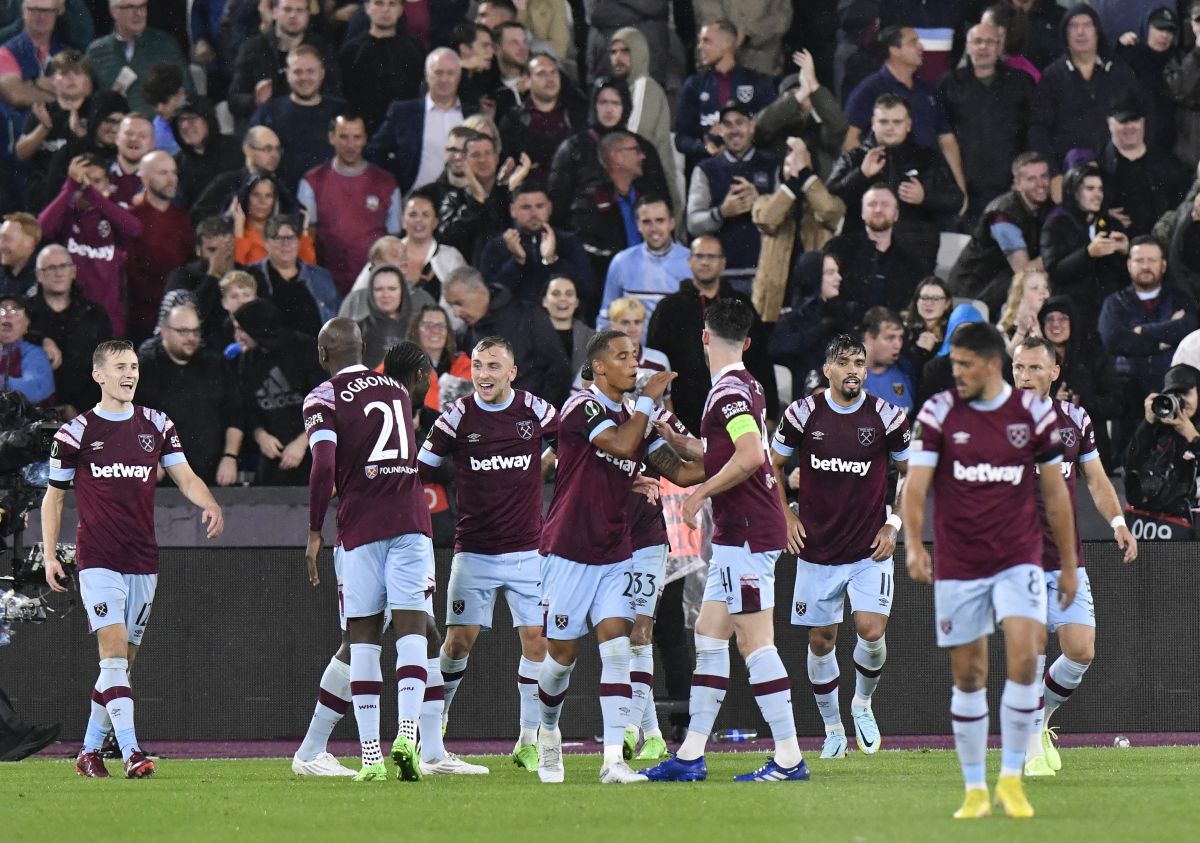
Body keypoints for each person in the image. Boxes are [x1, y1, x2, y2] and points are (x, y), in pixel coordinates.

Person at [902, 321, 1078, 819]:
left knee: (1026, 656)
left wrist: (1067, 563)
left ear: (991, 365)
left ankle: (1012, 779)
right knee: (970, 673)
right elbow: (915, 487)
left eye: (963, 364)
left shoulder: (1033, 415)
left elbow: (1055, 493)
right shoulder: (937, 411)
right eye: (952, 363)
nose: (954, 372)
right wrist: (914, 544)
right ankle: (976, 787)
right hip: (959, 563)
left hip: (1019, 556)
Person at [639, 299, 804, 783]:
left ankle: (790, 757)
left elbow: (751, 455)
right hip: (745, 532)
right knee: (710, 637)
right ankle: (690, 754)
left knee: (756, 643)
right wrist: (678, 438)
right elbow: (728, 449)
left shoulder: (727, 391)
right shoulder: (746, 384)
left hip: (748, 536)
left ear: (705, 337)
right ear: (747, 342)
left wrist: (698, 496)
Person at [44, 339, 223, 778]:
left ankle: (87, 751)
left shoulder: (157, 425)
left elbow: (185, 476)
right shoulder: (76, 432)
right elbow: (54, 498)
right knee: (113, 654)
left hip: (143, 559)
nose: (130, 374)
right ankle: (130, 752)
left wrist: (210, 503)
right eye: (121, 366)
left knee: (121, 665)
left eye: (135, 367)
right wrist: (50, 554)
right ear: (98, 375)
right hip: (98, 557)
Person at [535, 329, 700, 784]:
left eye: (636, 356)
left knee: (618, 647)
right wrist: (648, 401)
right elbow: (621, 445)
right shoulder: (582, 407)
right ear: (599, 367)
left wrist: (739, 457)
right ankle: (547, 732)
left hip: (614, 551)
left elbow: (682, 472)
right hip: (568, 549)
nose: (634, 364)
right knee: (561, 658)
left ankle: (613, 761)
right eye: (623, 357)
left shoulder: (634, 417)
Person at [302, 319, 434, 781]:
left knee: (362, 637)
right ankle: (409, 733)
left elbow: (322, 465)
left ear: (323, 354)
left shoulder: (323, 397)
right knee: (413, 627)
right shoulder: (397, 390)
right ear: (364, 348)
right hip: (413, 519)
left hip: (361, 524)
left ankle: (371, 757)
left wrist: (315, 528)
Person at [418, 336, 557, 770]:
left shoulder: (534, 409)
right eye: (478, 366)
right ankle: (436, 719)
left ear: (512, 372)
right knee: (458, 642)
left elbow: (574, 443)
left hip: (528, 550)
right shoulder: (457, 416)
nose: (484, 375)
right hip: (474, 551)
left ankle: (527, 738)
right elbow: (419, 468)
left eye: (494, 366)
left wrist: (546, 464)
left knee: (538, 641)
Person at [768, 333, 909, 758]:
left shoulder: (889, 417)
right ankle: (832, 729)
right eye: (844, 362)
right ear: (827, 369)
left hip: (869, 546)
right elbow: (773, 465)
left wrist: (894, 523)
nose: (853, 370)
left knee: (871, 629)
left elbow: (911, 472)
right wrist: (786, 515)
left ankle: (862, 704)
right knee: (821, 640)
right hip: (817, 547)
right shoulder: (801, 414)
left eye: (859, 363)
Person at [1010, 336, 1137, 777]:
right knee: (1034, 647)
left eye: (1034, 369)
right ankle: (1028, 752)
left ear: (1054, 372)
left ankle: (1039, 720)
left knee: (1081, 650)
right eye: (1018, 368)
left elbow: (1097, 481)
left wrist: (1118, 523)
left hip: (1065, 559)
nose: (1025, 377)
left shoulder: (1075, 420)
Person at [646, 234, 778, 433]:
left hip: (737, 417)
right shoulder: (668, 308)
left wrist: (770, 415)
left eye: (712, 257)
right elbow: (655, 364)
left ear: (723, 262)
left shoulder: (741, 305)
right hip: (681, 419)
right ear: (690, 261)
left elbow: (761, 362)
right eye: (699, 256)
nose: (705, 262)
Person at [827, 94, 964, 273]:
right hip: (861, 254)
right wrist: (860, 174)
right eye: (884, 122)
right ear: (873, 123)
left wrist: (926, 197)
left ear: (908, 124)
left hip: (916, 255)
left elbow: (956, 200)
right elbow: (828, 198)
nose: (890, 127)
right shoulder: (855, 158)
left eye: (897, 122)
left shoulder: (927, 158)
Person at [842, 25, 968, 208]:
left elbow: (946, 139)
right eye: (913, 42)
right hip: (884, 191)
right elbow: (850, 139)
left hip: (927, 191)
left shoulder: (927, 91)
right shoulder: (869, 90)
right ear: (894, 50)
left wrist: (960, 188)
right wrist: (867, 180)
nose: (921, 47)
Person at [1028, 4, 1142, 192]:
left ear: (1097, 31)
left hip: (1119, 176)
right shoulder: (1052, 76)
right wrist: (1053, 173)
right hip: (1070, 177)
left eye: (1087, 25)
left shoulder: (1119, 71)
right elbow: (1038, 129)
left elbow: (1143, 113)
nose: (1080, 32)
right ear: (1065, 34)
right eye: (1073, 26)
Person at [1099, 236, 1198, 449]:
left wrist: (1143, 331)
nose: (1145, 266)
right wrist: (1161, 340)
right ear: (1129, 264)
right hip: (1127, 400)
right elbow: (1113, 339)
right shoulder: (1114, 303)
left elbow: (1188, 329)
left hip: (1172, 395)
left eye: (1151, 260)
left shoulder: (1181, 298)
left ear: (1163, 265)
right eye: (1139, 260)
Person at [135, 302, 242, 486]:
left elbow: (235, 415)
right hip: (162, 476)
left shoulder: (215, 364)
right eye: (183, 331)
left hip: (212, 473)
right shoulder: (146, 367)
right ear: (164, 331)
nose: (191, 338)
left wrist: (230, 456)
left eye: (195, 331)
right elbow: (132, 420)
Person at [938, 22, 1036, 221]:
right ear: (967, 47)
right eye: (977, 41)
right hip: (964, 192)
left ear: (1000, 47)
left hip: (1012, 189)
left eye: (990, 42)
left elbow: (1033, 132)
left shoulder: (1021, 82)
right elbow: (941, 137)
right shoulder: (949, 83)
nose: (983, 47)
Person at [37, 152, 142, 336]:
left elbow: (135, 229)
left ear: (108, 183)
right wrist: (70, 188)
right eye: (83, 182)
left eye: (96, 181)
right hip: (71, 320)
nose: (89, 186)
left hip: (110, 320)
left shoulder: (113, 214)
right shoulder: (66, 213)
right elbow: (41, 229)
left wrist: (92, 194)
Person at [298, 113, 402, 297]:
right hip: (327, 285)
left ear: (365, 139)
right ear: (332, 138)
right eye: (344, 137)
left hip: (374, 285)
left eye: (357, 137)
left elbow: (394, 237)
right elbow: (308, 236)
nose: (350, 145)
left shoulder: (386, 183)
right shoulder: (313, 181)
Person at [443, 266, 571, 407]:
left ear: (479, 292)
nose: (456, 313)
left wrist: (537, 417)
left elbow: (559, 371)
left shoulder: (527, 317)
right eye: (451, 306)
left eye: (459, 303)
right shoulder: (464, 335)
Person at [686, 102, 778, 296]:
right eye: (727, 124)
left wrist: (759, 202)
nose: (734, 130)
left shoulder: (772, 165)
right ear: (719, 130)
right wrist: (722, 212)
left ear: (751, 126)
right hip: (720, 277)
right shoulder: (705, 169)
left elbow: (785, 218)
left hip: (765, 272)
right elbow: (693, 223)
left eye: (740, 123)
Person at [230, 298, 324, 485]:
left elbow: (326, 404)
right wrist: (260, 435)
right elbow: (249, 408)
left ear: (257, 327)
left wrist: (302, 442)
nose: (237, 336)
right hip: (275, 457)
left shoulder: (305, 348)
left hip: (315, 451)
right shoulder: (246, 360)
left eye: (241, 329)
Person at [949, 152, 1052, 315]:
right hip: (972, 293)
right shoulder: (1003, 215)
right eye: (1031, 179)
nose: (1041, 184)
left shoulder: (1045, 207)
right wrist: (1056, 253)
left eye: (1044, 176)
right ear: (1017, 184)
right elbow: (1024, 271)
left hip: (999, 288)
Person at [673, 20, 775, 176]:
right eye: (699, 41)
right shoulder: (694, 85)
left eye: (706, 41)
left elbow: (770, 130)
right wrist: (704, 148)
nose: (699, 47)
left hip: (750, 172)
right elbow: (681, 138)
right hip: (708, 173)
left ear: (727, 43)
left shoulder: (757, 83)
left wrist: (740, 142)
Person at [477, 183, 595, 316]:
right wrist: (517, 262)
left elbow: (587, 288)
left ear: (550, 208)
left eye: (540, 206)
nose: (533, 213)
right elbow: (489, 298)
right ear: (513, 210)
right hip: (513, 326)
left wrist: (552, 261)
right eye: (526, 207)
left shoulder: (568, 242)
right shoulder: (497, 245)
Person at [367, 49, 475, 195]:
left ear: (459, 76)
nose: (444, 79)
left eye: (450, 73)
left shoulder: (473, 115)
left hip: (463, 203)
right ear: (427, 75)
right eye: (438, 73)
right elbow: (375, 152)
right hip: (415, 203)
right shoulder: (403, 113)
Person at [1040, 163, 1128, 336]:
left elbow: (1122, 275)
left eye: (1100, 189)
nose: (1098, 195)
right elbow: (1055, 271)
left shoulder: (1111, 224)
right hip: (1073, 313)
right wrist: (1088, 253)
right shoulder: (1056, 225)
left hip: (1107, 313)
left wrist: (1126, 253)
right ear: (1074, 191)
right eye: (1090, 188)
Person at [25, 242, 111, 414]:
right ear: (38, 275)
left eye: (64, 266)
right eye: (50, 267)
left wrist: (79, 408)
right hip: (32, 415)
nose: (58, 273)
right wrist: (41, 339)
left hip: (85, 412)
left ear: (73, 271)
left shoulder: (95, 314)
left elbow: (108, 367)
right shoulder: (23, 313)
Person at [248, 46, 346, 192]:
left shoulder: (341, 111)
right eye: (297, 72)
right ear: (287, 75)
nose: (304, 78)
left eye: (310, 71)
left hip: (332, 196)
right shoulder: (268, 112)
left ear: (322, 74)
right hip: (281, 199)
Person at [227, 0, 340, 126]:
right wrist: (255, 100)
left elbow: (334, 94)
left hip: (309, 123)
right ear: (274, 12)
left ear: (308, 15)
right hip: (266, 127)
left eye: (300, 10)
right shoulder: (253, 48)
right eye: (287, 9)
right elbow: (234, 100)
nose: (293, 15)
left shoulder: (322, 49)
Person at [607, 28, 680, 216]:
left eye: (625, 51)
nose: (618, 58)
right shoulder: (626, 90)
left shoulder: (645, 86)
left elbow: (635, 139)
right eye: (613, 52)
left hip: (655, 188)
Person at [824, 183, 926, 313]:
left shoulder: (911, 265)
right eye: (872, 204)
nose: (878, 209)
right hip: (843, 331)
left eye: (885, 204)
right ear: (862, 213)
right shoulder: (837, 248)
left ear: (896, 214)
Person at [1098, 97, 1189, 239]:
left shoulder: (1169, 164)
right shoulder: (1098, 165)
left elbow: (1183, 206)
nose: (1130, 127)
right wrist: (1102, 214)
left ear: (1143, 122)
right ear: (1109, 123)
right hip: (1114, 248)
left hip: (1159, 248)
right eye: (1123, 121)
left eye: (1134, 120)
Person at [127, 150, 193, 342]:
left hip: (178, 313)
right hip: (142, 318)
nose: (171, 179)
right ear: (145, 178)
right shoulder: (132, 219)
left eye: (173, 172)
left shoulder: (182, 218)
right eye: (163, 173)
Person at [84, 0, 193, 114]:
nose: (139, 14)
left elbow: (187, 93)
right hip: (114, 127)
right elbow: (87, 102)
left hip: (158, 126)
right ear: (114, 12)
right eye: (131, 7)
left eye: (142, 6)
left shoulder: (165, 45)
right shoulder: (96, 51)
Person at [598, 196, 690, 331]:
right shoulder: (621, 262)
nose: (654, 228)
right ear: (638, 225)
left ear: (672, 223)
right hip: (631, 350)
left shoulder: (691, 261)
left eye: (660, 220)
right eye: (646, 222)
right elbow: (606, 315)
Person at [769, 251, 855, 389]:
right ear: (813, 276)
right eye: (830, 272)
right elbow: (776, 349)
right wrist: (820, 329)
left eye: (837, 272)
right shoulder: (794, 319)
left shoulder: (841, 315)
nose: (838, 278)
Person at [337, 0, 425, 135]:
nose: (386, 9)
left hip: (404, 132)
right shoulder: (351, 51)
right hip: (361, 135)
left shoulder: (415, 50)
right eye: (379, 3)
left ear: (401, 9)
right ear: (367, 7)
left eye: (392, 4)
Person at [1125, 363, 1200, 518]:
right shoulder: (1160, 428)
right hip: (1158, 521)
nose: (1180, 401)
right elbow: (1129, 465)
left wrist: (1192, 436)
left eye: (1185, 393)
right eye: (1173, 394)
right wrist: (1147, 424)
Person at [247, 214, 337, 334]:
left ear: (299, 242)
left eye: (291, 238)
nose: (285, 244)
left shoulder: (321, 277)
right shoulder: (251, 276)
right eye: (278, 238)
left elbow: (337, 321)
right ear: (266, 243)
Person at [190, 126, 298, 223]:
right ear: (248, 150)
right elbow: (197, 216)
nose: (275, 155)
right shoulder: (226, 182)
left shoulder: (282, 186)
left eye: (278, 149)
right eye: (267, 149)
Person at [498, 52, 587, 170]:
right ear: (527, 81)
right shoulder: (513, 120)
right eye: (541, 74)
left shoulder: (575, 115)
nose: (550, 79)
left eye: (553, 72)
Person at [170, 97, 242, 212]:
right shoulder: (175, 164)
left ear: (208, 120)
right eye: (180, 120)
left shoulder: (238, 147)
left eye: (191, 118)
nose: (184, 126)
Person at [356, 264, 417, 368]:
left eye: (392, 288)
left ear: (403, 291)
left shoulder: (419, 326)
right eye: (379, 289)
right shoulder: (357, 329)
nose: (385, 295)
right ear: (371, 292)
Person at [0, 293, 52, 403]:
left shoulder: (35, 353)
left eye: (16, 310)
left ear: (27, 323)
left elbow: (34, 389)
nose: (7, 315)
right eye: (2, 310)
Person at [542, 275, 592, 382]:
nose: (563, 298)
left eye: (569, 294)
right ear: (544, 301)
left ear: (576, 302)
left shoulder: (593, 339)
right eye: (556, 294)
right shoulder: (529, 337)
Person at [901, 277, 951, 381]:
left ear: (947, 304)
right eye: (924, 297)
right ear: (916, 301)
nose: (929, 303)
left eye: (936, 299)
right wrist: (920, 352)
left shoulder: (953, 332)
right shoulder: (902, 331)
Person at [997, 268, 1050, 354]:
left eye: (1045, 287)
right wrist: (1021, 330)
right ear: (1020, 293)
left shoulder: (1049, 323)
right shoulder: (1005, 328)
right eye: (1035, 288)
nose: (1044, 293)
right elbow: (1006, 362)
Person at [0, 210, 40, 295]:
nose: (1, 245)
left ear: (30, 242)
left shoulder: (45, 280)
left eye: (7, 239)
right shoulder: (2, 274)